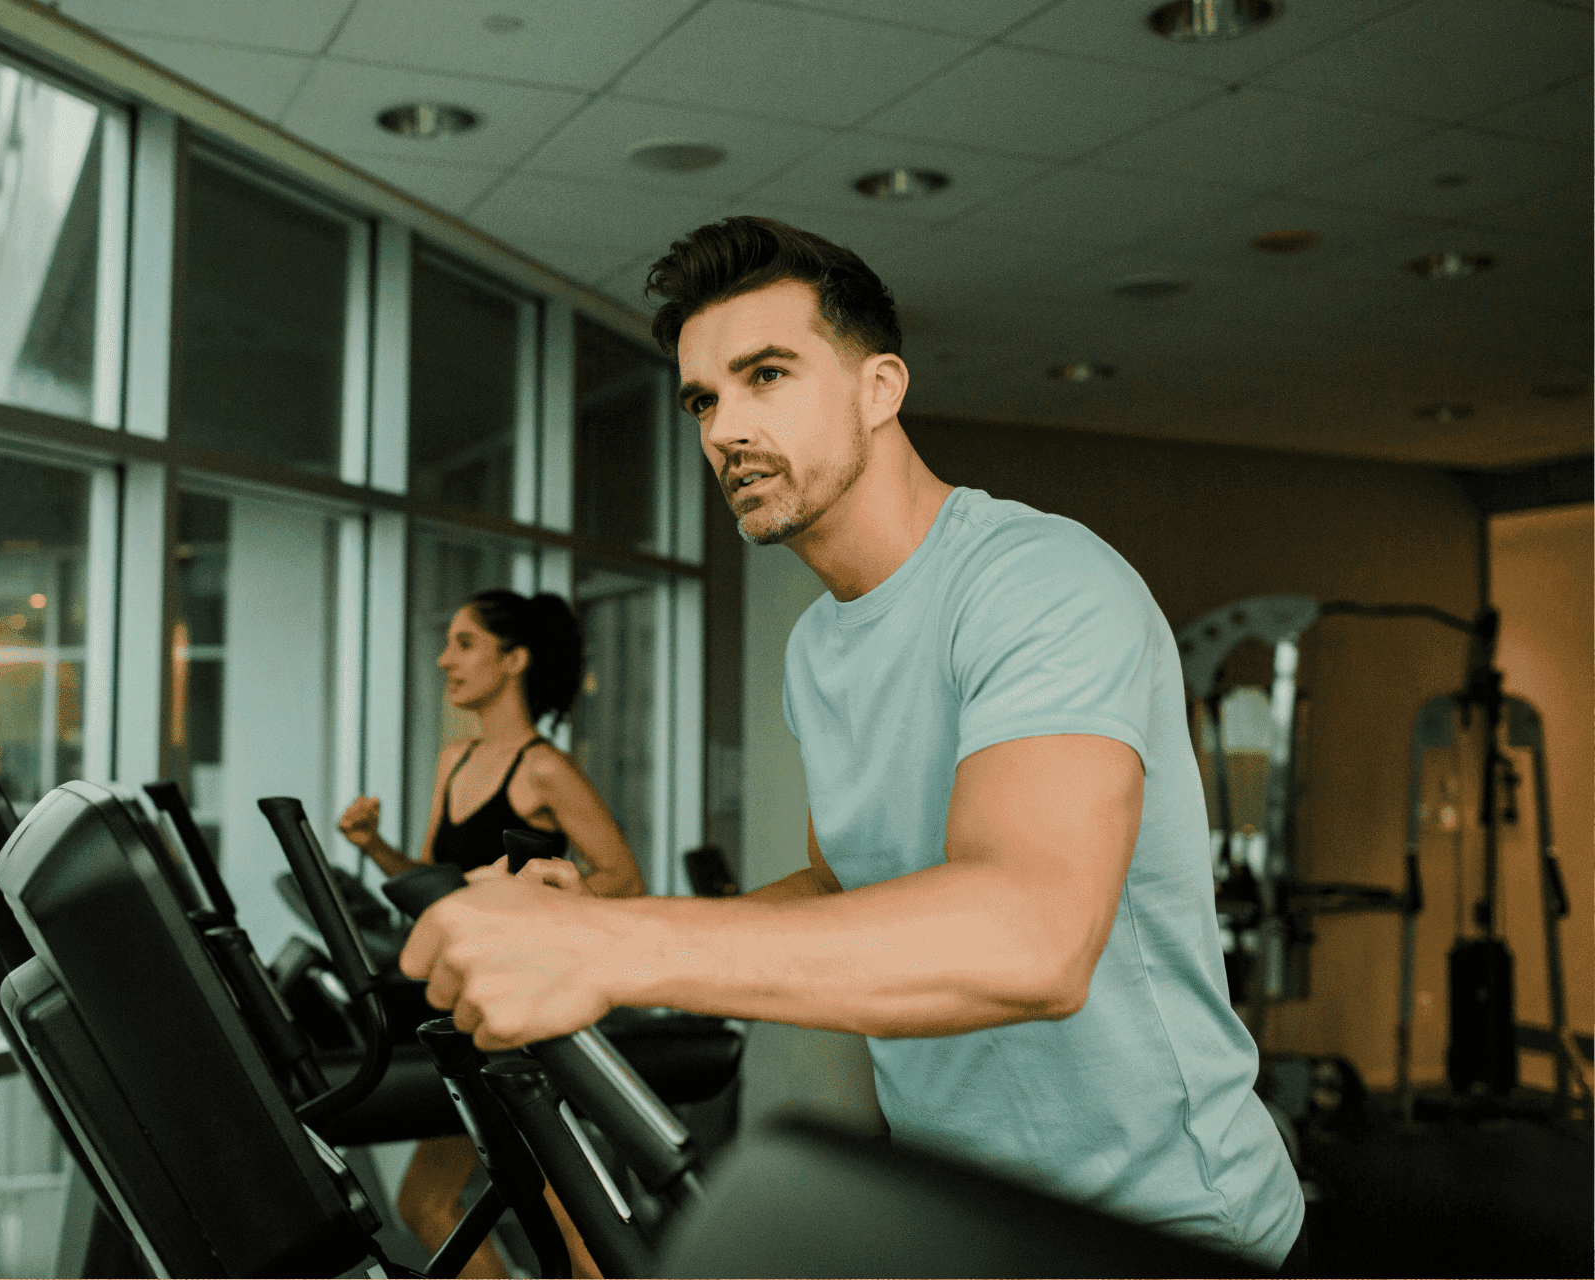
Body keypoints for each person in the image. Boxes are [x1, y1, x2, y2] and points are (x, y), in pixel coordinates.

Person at [397, 218, 1308, 1271]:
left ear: (881, 387)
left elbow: (1036, 936)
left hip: (1158, 1221)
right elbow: (842, 887)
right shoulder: (816, 645)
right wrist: (612, 918)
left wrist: (612, 951)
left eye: (766, 374)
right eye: (704, 399)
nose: (726, 427)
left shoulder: (1041, 580)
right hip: (961, 1206)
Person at [338, 588, 643, 1278]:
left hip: (524, 1013)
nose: (446, 659)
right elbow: (438, 883)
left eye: (465, 643)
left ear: (515, 660)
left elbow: (623, 876)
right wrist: (376, 847)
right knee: (428, 1201)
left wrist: (531, 898)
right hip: (466, 1013)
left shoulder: (543, 767)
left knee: (566, 1210)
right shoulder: (453, 762)